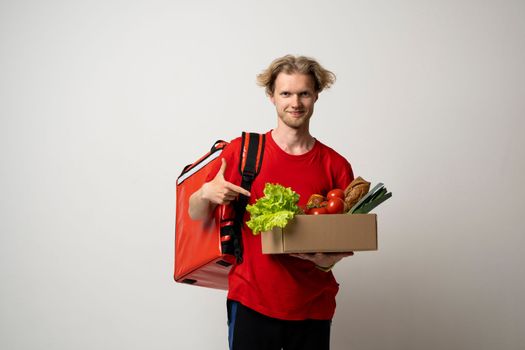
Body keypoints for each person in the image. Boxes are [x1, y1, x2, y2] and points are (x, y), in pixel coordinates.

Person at [188, 55, 354, 350]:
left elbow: (339, 240)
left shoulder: (335, 165)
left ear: (316, 95)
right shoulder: (243, 152)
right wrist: (205, 194)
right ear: (271, 97)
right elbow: (195, 213)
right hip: (252, 300)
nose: (296, 103)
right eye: (286, 93)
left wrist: (327, 263)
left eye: (304, 93)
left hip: (312, 306)